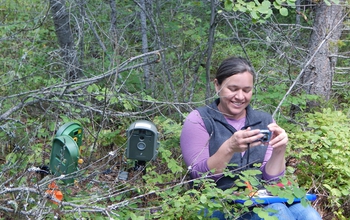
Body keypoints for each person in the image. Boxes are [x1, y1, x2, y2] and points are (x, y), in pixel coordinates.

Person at [180, 56, 322, 219]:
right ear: (217, 85)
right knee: (277, 212)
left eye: (247, 90)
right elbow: (199, 177)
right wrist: (229, 147)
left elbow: (272, 180)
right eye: (233, 89)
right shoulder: (199, 119)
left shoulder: (264, 121)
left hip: (260, 198)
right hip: (217, 203)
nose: (240, 97)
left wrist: (279, 150)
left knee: (310, 215)